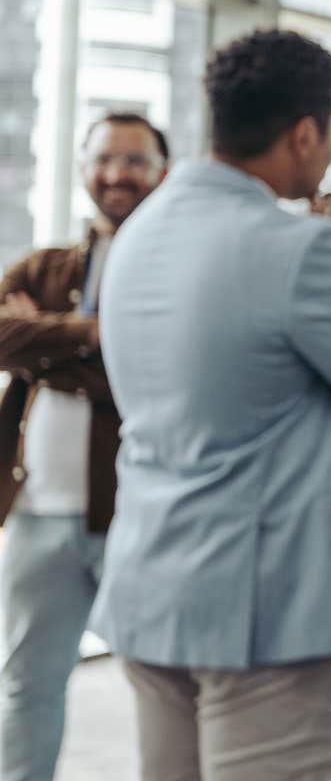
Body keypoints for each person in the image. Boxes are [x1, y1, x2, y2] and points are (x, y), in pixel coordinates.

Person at [89, 29, 331, 779]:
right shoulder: (303, 249)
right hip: (275, 610)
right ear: (304, 133)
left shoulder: (134, 238)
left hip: (154, 588)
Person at [0, 113, 168, 781]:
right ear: (82, 166)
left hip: (140, 512)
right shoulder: (48, 265)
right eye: (104, 159)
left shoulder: (171, 270)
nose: (117, 173)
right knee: (27, 683)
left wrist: (48, 343)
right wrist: (94, 334)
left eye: (135, 161)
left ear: (162, 173)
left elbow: (151, 362)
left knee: (163, 685)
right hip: (40, 508)